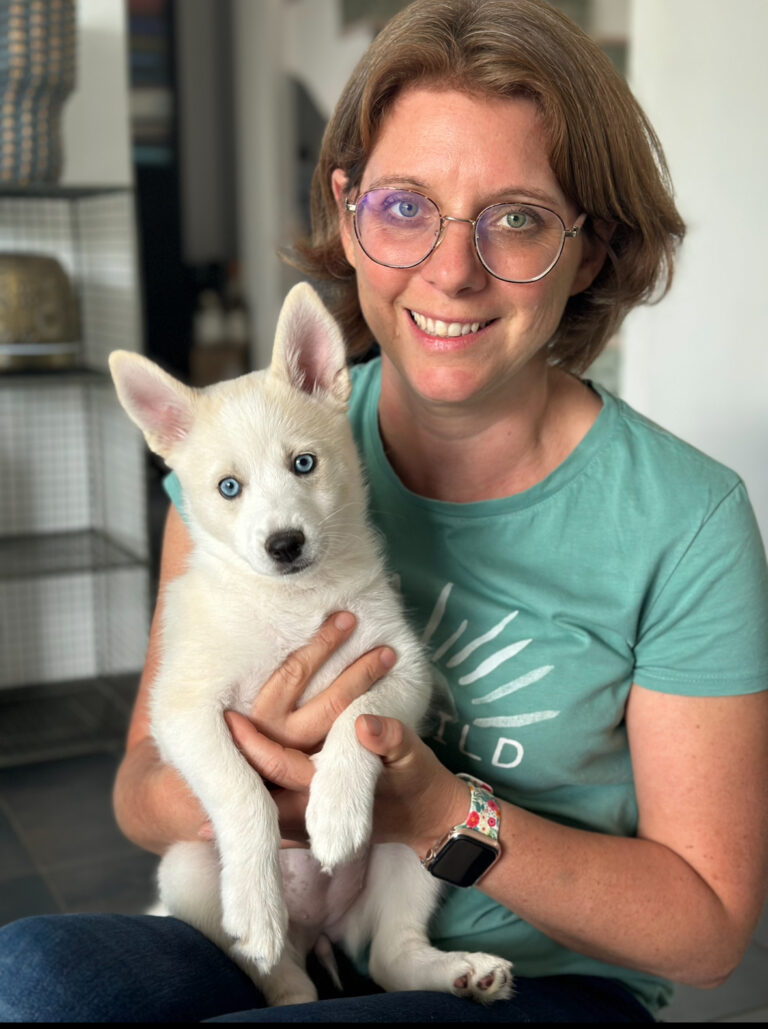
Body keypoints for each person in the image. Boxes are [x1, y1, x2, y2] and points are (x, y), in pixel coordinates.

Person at [2, 0, 767, 1022]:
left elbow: (708, 933)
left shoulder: (688, 521)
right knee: (33, 979)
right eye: (407, 206)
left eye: (520, 216)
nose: (452, 270)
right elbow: (143, 794)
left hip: (531, 977)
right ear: (350, 212)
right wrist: (257, 777)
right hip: (268, 907)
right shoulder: (245, 456)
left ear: (588, 249)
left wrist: (438, 811)